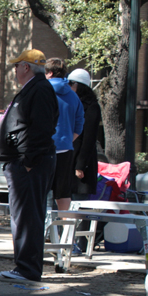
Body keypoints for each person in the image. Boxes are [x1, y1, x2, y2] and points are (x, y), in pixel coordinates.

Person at [0, 49, 58, 282]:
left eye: (16, 66)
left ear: (26, 67)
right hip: (23, 162)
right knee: (23, 216)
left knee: (28, 216)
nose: (14, 70)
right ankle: (24, 266)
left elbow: (42, 128)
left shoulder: (39, 89)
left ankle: (27, 268)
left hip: (30, 163)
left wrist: (29, 162)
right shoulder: (34, 88)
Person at [44, 58, 84, 216]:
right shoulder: (74, 96)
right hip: (65, 149)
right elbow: (80, 124)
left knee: (41, 190)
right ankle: (63, 231)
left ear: (50, 73)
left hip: (44, 149)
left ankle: (42, 230)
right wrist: (67, 139)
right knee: (63, 192)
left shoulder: (42, 91)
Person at [67, 68, 101, 252]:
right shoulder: (71, 104)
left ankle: (81, 244)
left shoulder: (92, 107)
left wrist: (80, 165)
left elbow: (88, 139)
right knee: (67, 205)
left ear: (79, 86)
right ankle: (66, 241)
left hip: (82, 162)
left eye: (71, 83)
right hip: (68, 159)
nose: (68, 87)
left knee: (80, 205)